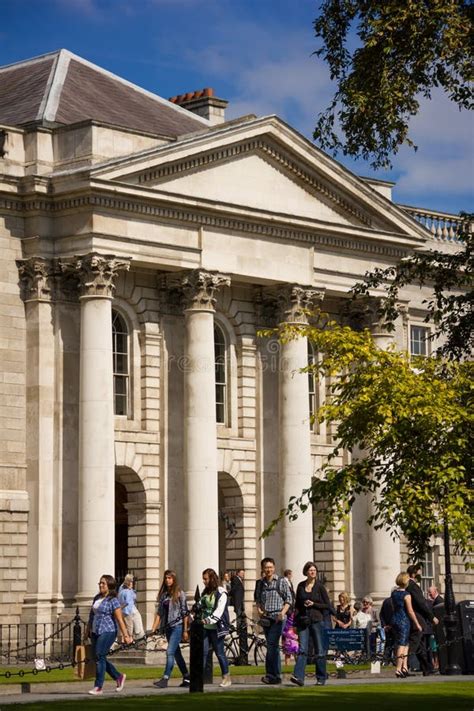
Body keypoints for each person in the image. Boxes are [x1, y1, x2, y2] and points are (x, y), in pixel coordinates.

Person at [85, 574, 131, 696]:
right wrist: (87, 630)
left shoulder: (113, 600)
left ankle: (98, 687)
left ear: (109, 585)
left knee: (99, 655)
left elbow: (120, 619)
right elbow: (91, 616)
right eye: (100, 583)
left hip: (108, 631)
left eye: (103, 583)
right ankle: (119, 676)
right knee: (99, 658)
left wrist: (126, 635)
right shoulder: (96, 598)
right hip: (95, 631)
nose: (100, 585)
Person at [290, 561, 331, 687]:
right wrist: (295, 623)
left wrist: (314, 604)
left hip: (317, 621)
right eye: (310, 570)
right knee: (302, 649)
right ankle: (298, 677)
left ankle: (321, 678)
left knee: (319, 650)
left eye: (314, 570)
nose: (313, 572)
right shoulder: (301, 586)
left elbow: (327, 605)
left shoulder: (320, 587)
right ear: (306, 572)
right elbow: (297, 605)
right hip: (303, 621)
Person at [254, 557, 292, 685]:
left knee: (271, 645)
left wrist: (282, 613)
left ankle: (271, 674)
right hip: (266, 618)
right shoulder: (260, 583)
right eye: (266, 567)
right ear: (263, 569)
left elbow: (289, 599)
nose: (268, 570)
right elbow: (257, 599)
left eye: (270, 567)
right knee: (273, 647)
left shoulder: (281, 582)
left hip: (278, 618)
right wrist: (259, 610)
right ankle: (275, 676)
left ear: (274, 568)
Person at [150, 569, 190, 689]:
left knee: (170, 652)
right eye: (166, 578)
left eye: (170, 578)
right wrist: (153, 629)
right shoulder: (164, 595)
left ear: (174, 579)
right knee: (177, 654)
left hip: (177, 627)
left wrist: (185, 630)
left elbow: (185, 613)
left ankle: (165, 678)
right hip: (167, 628)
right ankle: (187, 677)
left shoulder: (180, 593)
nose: (167, 580)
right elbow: (159, 613)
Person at [201, 567, 232, 687]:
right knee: (202, 653)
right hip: (206, 627)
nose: (204, 581)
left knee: (219, 653)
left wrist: (208, 619)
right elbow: (201, 606)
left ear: (212, 579)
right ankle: (199, 677)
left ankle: (226, 677)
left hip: (217, 627)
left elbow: (219, 611)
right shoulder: (205, 592)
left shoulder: (221, 592)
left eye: (206, 579)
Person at [406, 564, 438, 676]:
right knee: (414, 644)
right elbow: (421, 603)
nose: (420, 575)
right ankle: (404, 667)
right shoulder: (413, 586)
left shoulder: (408, 585)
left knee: (420, 645)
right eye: (419, 572)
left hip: (416, 618)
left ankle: (426, 668)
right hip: (418, 618)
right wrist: (431, 616)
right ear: (414, 573)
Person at [391, 572, 423, 678]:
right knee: (401, 645)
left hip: (395, 619)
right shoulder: (406, 595)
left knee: (405, 643)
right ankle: (398, 668)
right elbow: (410, 611)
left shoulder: (394, 593)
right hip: (403, 620)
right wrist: (417, 624)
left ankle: (404, 667)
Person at [118, 574, 144, 642]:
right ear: (129, 582)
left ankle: (127, 640)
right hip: (128, 611)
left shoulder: (123, 589)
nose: (134, 583)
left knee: (127, 626)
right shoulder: (127, 591)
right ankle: (130, 641)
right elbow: (128, 602)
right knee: (130, 627)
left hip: (127, 610)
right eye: (132, 581)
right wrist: (121, 608)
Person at [230, 568, 248, 665]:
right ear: (238, 573)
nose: (243, 575)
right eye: (242, 573)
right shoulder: (235, 580)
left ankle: (240, 629)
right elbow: (233, 591)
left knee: (242, 619)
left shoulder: (239, 580)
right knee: (239, 618)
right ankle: (239, 629)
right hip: (237, 604)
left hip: (240, 603)